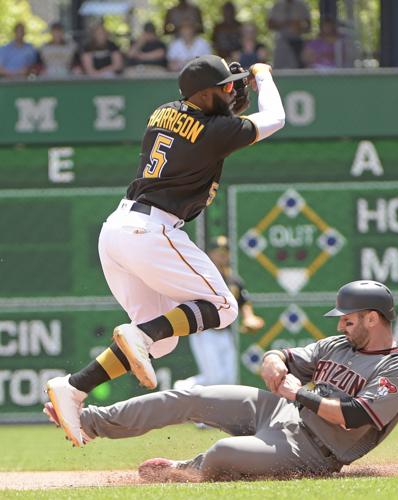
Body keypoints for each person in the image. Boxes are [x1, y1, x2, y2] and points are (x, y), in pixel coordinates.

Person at [44, 55, 285, 447]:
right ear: (205, 94)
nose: (232, 90)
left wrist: (226, 98)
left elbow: (203, 119)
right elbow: (275, 117)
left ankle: (74, 387)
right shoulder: (215, 130)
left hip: (117, 231)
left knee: (162, 339)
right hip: (151, 229)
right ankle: (138, 335)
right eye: (225, 86)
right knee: (223, 306)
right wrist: (263, 75)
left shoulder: (165, 111)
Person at [44, 280, 398, 481]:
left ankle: (185, 469)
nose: (340, 323)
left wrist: (298, 394)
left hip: (315, 450)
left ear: (373, 318)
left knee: (225, 452)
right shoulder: (338, 344)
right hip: (278, 409)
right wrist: (274, 362)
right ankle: (88, 420)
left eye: (348, 318)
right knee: (189, 396)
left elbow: (353, 417)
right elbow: (287, 358)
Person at [174, 236, 264, 389]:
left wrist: (249, 318)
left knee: (229, 379)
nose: (222, 255)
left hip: (225, 334)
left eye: (225, 251)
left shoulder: (233, 280)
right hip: (205, 332)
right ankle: (181, 388)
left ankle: (217, 410)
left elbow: (243, 303)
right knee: (214, 378)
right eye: (218, 251)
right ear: (210, 254)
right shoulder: (202, 277)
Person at [267, 0, 311, 68]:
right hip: (280, 42)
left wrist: (299, 27)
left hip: (297, 42)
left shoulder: (301, 5)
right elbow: (269, 25)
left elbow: (308, 27)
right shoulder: (277, 5)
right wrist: (283, 24)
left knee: (297, 67)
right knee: (279, 66)